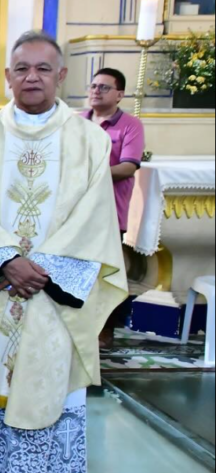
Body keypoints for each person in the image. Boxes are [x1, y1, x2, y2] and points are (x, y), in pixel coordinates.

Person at [0, 31, 128, 473]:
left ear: (61, 76)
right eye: (22, 69)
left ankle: (38, 472)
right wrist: (8, 259)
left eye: (43, 69)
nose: (32, 77)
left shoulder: (89, 141)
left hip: (53, 285)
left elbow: (95, 215)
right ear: (8, 76)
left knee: (46, 371)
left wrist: (41, 270)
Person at [85, 67, 144, 345]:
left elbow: (129, 166)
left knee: (105, 271)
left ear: (119, 94)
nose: (96, 91)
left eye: (104, 87)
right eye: (93, 86)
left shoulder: (130, 125)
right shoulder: (77, 122)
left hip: (110, 211)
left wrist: (89, 175)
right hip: (75, 210)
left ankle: (105, 329)